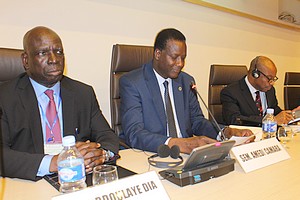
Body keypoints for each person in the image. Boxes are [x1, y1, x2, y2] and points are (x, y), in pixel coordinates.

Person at [0, 26, 119, 181]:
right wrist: (52, 163)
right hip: (30, 183)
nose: (54, 59)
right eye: (43, 53)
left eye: (58, 52)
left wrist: (100, 154)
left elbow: (107, 136)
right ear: (26, 60)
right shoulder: (5, 96)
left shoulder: (83, 93)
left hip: (78, 179)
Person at [120, 28, 253, 154]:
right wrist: (180, 144)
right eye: (174, 57)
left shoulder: (186, 81)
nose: (180, 63)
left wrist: (225, 132)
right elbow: (134, 133)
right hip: (152, 154)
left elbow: (197, 121)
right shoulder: (133, 83)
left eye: (183, 58)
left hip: (187, 155)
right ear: (158, 54)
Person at [221, 56, 294, 126]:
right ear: (255, 74)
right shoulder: (230, 92)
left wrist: (289, 115)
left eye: (273, 79)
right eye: (269, 78)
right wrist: (270, 120)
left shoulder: (270, 90)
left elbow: (274, 109)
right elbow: (234, 119)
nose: (272, 83)